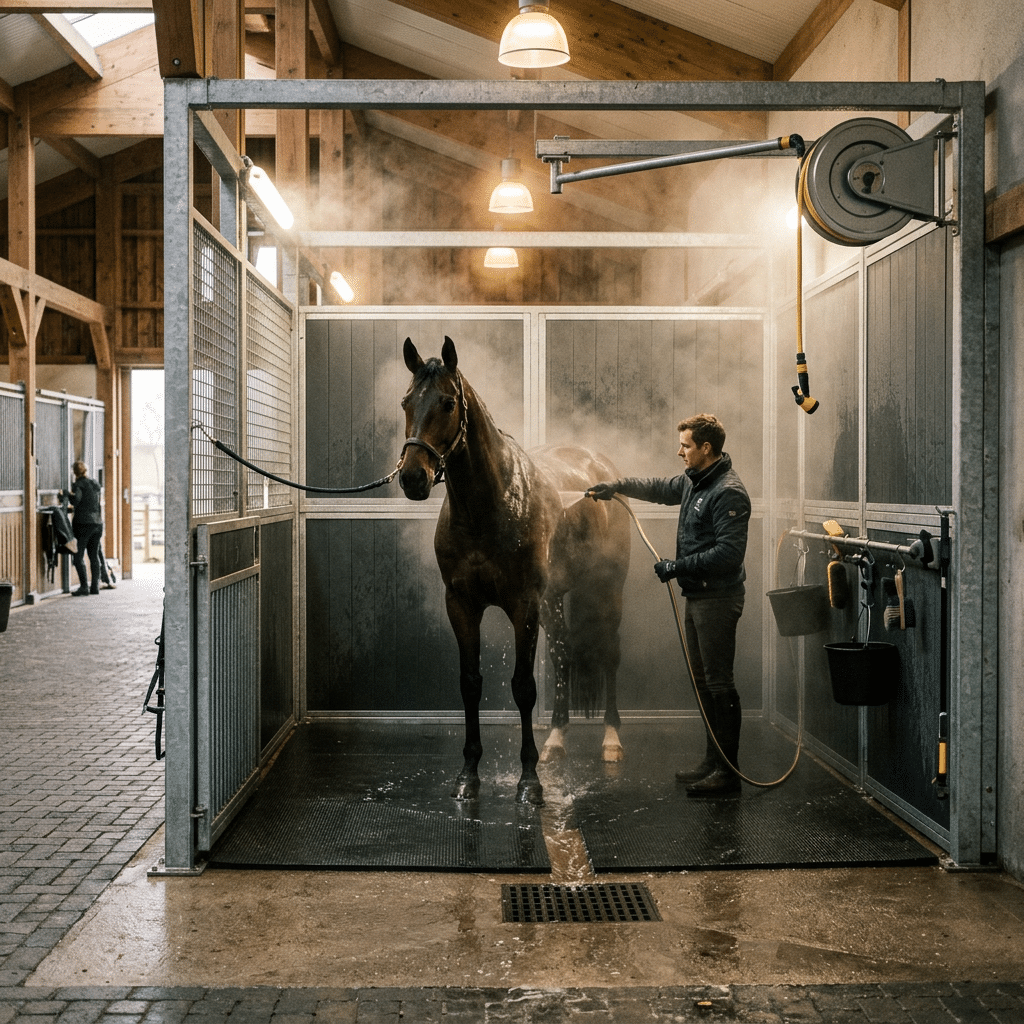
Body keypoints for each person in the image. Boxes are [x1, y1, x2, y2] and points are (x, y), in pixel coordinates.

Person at [588, 414, 750, 797]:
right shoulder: (696, 482)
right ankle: (714, 762)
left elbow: (729, 553)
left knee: (720, 684)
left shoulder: (728, 491)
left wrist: (678, 567)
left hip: (718, 600)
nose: (680, 451)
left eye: (686, 445)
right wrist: (618, 486)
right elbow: (660, 487)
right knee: (704, 684)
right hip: (698, 597)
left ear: (706, 449)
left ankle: (728, 772)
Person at [60, 461, 104, 597]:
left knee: (78, 556)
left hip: (84, 524)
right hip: (97, 523)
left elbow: (77, 500)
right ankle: (95, 586)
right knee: (94, 555)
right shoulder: (94, 484)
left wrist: (66, 495)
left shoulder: (79, 485)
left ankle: (84, 586)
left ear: (74, 472)